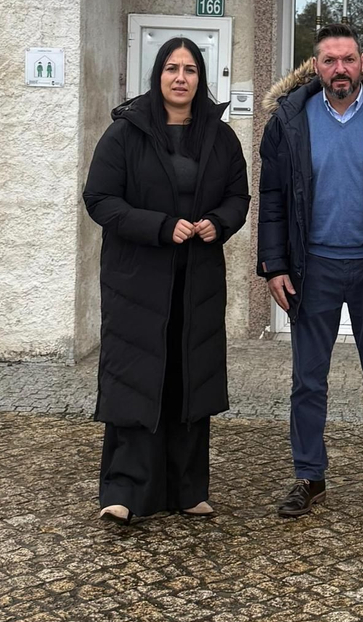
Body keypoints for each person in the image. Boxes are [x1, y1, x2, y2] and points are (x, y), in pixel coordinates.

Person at [257, 23, 363, 522]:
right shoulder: (289, 119)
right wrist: (274, 265)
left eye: (348, 59)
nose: (340, 69)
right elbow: (271, 199)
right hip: (312, 269)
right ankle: (309, 477)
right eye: (329, 61)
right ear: (315, 67)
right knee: (308, 380)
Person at [82, 37, 250, 526]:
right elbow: (100, 200)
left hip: (196, 280)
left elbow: (238, 196)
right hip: (137, 281)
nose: (181, 78)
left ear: (201, 78)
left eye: (191, 69)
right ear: (158, 75)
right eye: (172, 68)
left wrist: (218, 222)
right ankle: (124, 490)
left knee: (188, 379)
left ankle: (188, 489)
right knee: (137, 379)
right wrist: (158, 226)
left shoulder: (220, 138)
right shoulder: (126, 133)